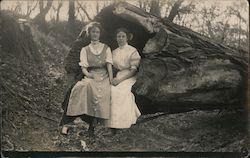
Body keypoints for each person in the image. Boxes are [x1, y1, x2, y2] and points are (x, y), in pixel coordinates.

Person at [61, 22, 113, 136]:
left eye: (97, 32)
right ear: (89, 33)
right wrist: (87, 74)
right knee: (80, 88)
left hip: (104, 76)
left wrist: (111, 79)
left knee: (101, 93)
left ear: (100, 34)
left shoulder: (106, 48)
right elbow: (83, 65)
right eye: (93, 32)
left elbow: (109, 65)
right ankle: (67, 122)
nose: (95, 34)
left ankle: (92, 127)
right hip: (90, 74)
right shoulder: (84, 48)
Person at [105, 28, 141, 134]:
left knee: (121, 92)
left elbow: (133, 71)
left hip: (129, 76)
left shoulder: (132, 51)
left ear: (127, 37)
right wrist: (112, 79)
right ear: (116, 38)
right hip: (119, 75)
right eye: (118, 36)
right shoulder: (114, 52)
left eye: (123, 36)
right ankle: (112, 125)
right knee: (110, 90)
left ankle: (123, 122)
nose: (121, 38)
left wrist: (120, 80)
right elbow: (110, 66)